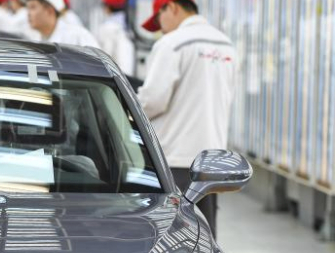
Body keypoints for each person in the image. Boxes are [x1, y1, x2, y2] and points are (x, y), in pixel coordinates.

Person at [138, 0, 237, 236]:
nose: (161, 29)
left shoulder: (172, 44)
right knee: (205, 238)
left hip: (174, 160)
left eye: (159, 21)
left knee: (168, 236)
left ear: (171, 7)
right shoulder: (226, 45)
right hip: (212, 163)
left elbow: (152, 101)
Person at [27, 0, 99, 47]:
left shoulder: (77, 36)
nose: (28, 13)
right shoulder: (34, 39)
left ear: (49, 11)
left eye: (33, 7)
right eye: (28, 8)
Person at [96, 0, 135, 76]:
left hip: (114, 77)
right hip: (128, 76)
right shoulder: (128, 28)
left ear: (108, 8)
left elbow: (105, 56)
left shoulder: (107, 28)